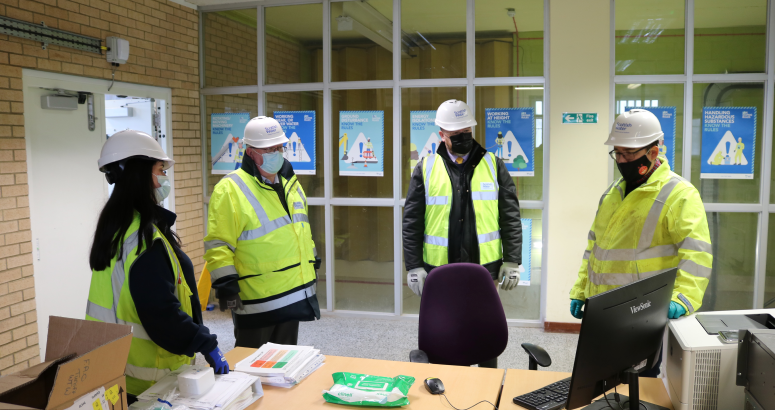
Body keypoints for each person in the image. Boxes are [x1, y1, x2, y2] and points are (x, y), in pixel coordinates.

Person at [86, 130, 228, 401]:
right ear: (141, 172)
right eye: (161, 169)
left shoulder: (119, 228)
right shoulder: (143, 240)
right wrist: (206, 342)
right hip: (151, 381)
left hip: (118, 372)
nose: (164, 177)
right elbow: (162, 314)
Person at [569, 109, 712, 377]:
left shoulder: (679, 195)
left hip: (640, 313)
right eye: (617, 153)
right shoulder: (613, 193)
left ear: (654, 152)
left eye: (629, 154)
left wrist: (683, 298)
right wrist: (580, 290)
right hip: (602, 310)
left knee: (635, 387)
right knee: (596, 382)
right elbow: (594, 248)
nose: (621, 160)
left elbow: (697, 254)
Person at [402, 100, 523, 368]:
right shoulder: (426, 167)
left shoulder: (494, 164)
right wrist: (413, 266)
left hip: (485, 270)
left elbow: (510, 216)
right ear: (442, 135)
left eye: (467, 132)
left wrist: (513, 260)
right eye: (456, 135)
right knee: (446, 337)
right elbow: (411, 222)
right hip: (439, 271)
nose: (463, 138)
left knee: (484, 335)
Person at [205, 116, 320, 349]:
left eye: (279, 147)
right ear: (250, 153)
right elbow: (219, 244)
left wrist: (312, 259)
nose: (275, 153)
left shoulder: (290, 182)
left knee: (285, 365)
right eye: (268, 149)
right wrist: (226, 285)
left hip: (293, 294)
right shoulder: (230, 189)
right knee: (251, 366)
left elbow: (300, 227)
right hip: (257, 300)